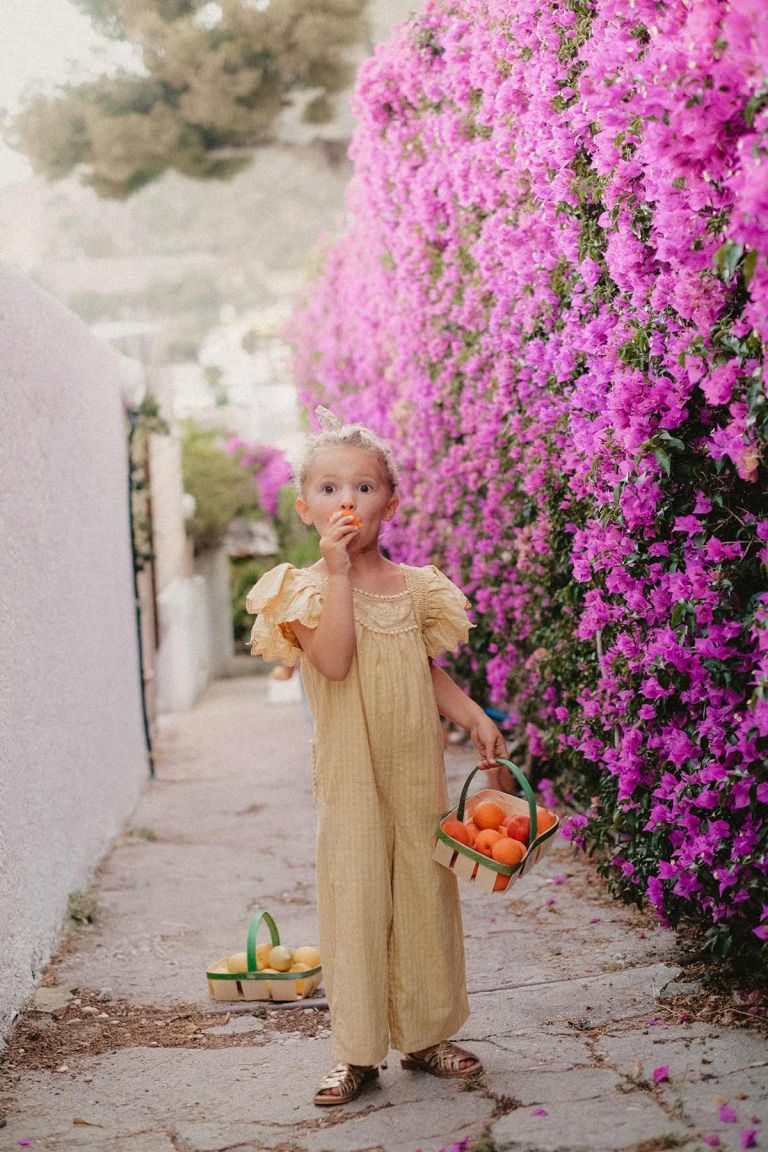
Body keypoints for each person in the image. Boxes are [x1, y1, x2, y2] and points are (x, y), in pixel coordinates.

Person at [246, 408, 507, 1106]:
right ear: (306, 508)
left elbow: (423, 668)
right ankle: (356, 1050)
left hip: (414, 767)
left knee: (425, 891)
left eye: (364, 488)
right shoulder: (299, 590)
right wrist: (336, 574)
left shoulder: (415, 586)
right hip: (350, 774)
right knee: (356, 896)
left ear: (391, 503)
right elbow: (334, 662)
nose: (348, 502)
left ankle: (426, 1035)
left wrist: (473, 715)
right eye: (329, 488)